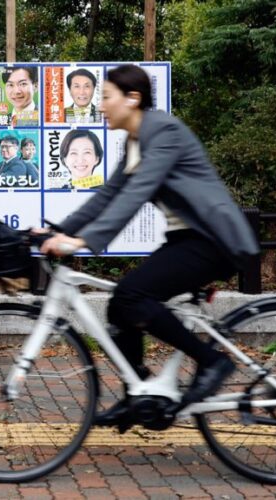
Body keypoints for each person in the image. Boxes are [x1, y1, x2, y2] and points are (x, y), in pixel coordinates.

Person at [39, 64, 259, 426]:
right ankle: (137, 392)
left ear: (133, 98)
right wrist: (58, 230)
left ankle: (212, 361)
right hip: (189, 240)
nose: (101, 106)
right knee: (119, 306)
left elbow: (137, 193)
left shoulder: (163, 130)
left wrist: (84, 241)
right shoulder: (136, 140)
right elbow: (109, 195)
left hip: (214, 241)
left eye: (106, 97)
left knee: (130, 296)